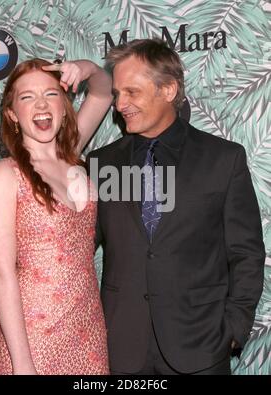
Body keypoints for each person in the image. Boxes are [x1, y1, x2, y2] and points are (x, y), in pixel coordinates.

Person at [86, 38, 266, 375]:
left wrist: (233, 328)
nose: (120, 104)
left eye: (132, 92)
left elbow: (246, 253)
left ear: (168, 90)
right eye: (117, 93)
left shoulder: (223, 159)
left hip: (201, 346)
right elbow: (76, 250)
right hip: (121, 345)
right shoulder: (103, 164)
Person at [0, 57, 113, 375]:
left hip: (87, 332)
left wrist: (88, 69)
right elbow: (1, 275)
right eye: (27, 97)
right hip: (31, 339)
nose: (41, 104)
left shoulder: (72, 155)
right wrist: (22, 363)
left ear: (64, 105)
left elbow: (104, 93)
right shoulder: (5, 176)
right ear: (12, 114)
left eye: (51, 94)